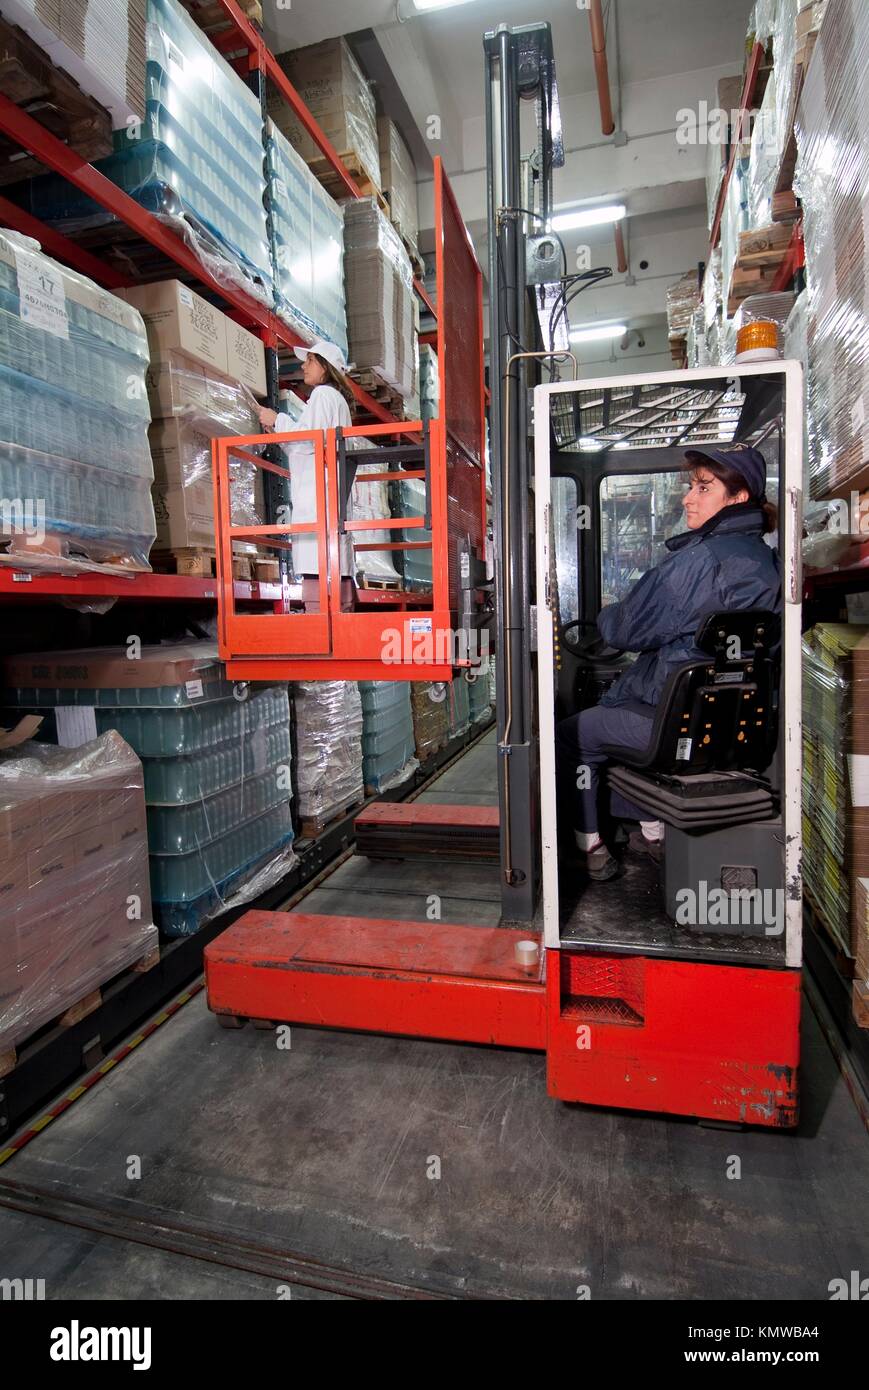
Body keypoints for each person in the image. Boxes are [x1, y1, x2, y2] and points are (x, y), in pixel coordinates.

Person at [556, 445, 781, 881]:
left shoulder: (698, 563)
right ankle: (653, 832)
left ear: (737, 497)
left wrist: (606, 612)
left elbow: (625, 631)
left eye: (704, 487)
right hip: (734, 725)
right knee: (617, 716)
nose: (688, 498)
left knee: (575, 734)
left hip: (675, 723)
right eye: (691, 486)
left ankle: (591, 846)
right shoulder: (770, 563)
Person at [257, 340, 355, 584]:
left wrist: (277, 419)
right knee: (334, 572)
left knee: (317, 574)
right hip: (327, 500)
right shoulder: (336, 401)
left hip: (318, 501)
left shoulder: (323, 395)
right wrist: (280, 435)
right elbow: (309, 444)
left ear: (325, 366)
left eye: (310, 360)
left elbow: (309, 438)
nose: (303, 365)